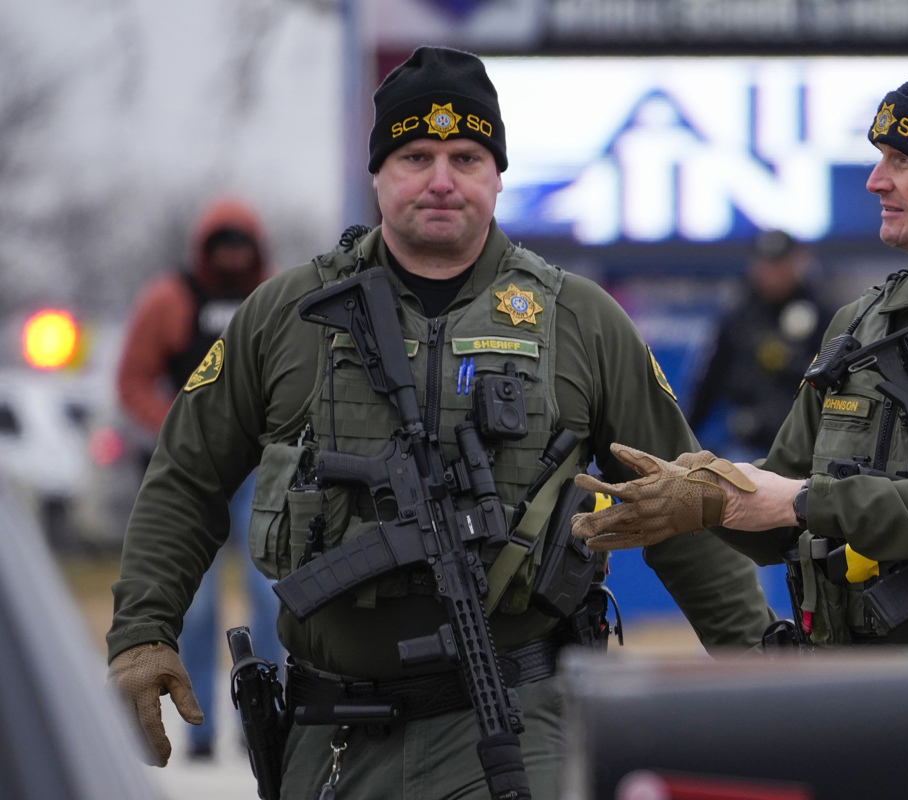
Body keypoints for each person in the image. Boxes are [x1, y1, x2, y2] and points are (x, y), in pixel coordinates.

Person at [106, 46, 772, 798]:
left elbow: (676, 506)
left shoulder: (579, 321)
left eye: (467, 155)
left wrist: (770, 682)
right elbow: (187, 478)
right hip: (331, 736)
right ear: (378, 173)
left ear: (497, 173)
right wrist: (142, 630)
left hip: (513, 726)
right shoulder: (283, 316)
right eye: (416, 155)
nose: (442, 180)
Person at [573, 65, 908, 652]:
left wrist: (805, 500)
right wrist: (709, 496)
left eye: (902, 160)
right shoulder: (860, 323)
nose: (875, 181)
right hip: (846, 688)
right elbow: (784, 495)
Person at [114, 196, 283, 759]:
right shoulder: (171, 298)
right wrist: (183, 435)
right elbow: (134, 380)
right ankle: (202, 730)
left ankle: (269, 717)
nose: (233, 259)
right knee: (201, 605)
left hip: (258, 472)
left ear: (256, 251)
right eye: (223, 247)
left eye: (243, 247)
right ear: (205, 251)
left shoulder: (272, 297)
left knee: (272, 594)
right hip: (195, 475)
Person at [687, 230, 832, 462]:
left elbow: (834, 380)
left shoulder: (822, 312)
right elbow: (710, 381)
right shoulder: (740, 316)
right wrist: (684, 435)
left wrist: (790, 364)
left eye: (779, 264)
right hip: (748, 441)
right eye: (766, 264)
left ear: (797, 263)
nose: (772, 273)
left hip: (806, 445)